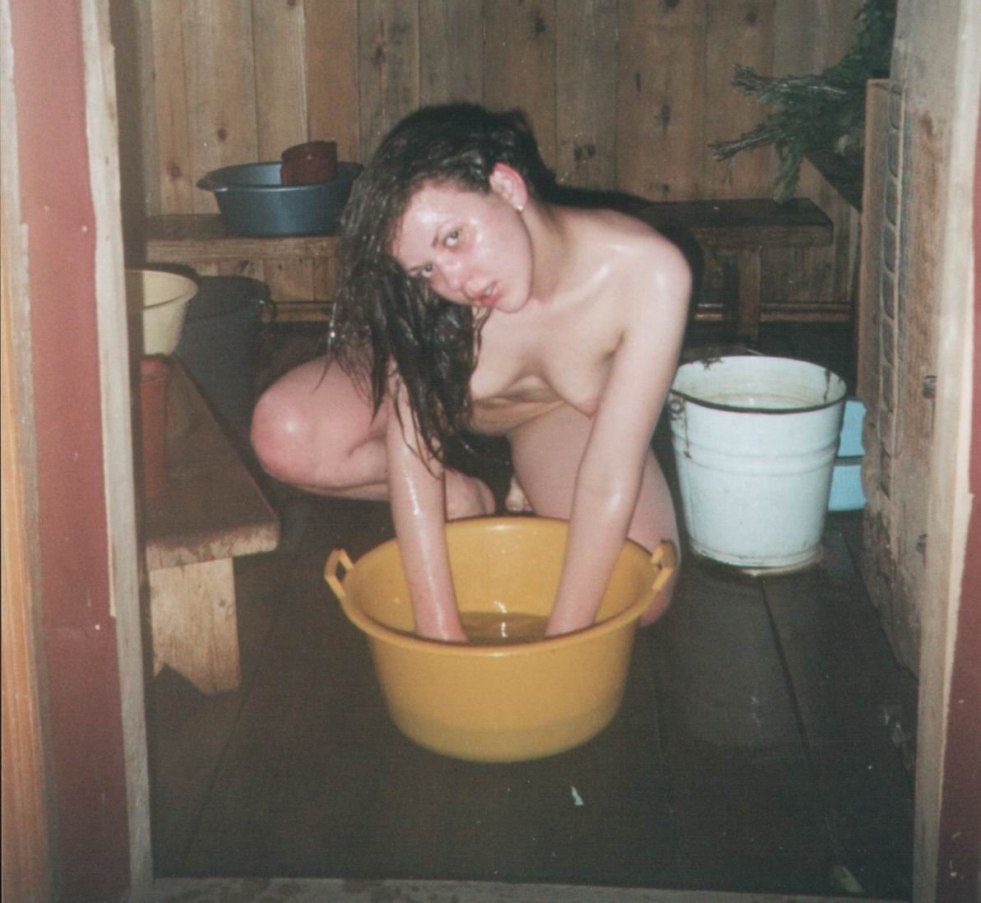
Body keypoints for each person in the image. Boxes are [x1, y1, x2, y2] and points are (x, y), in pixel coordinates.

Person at [251, 103, 690, 642]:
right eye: (426, 269)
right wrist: (439, 631)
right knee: (283, 433)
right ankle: (465, 499)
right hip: (433, 398)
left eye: (453, 237)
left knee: (640, 588)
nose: (455, 280)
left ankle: (529, 480)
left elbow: (608, 474)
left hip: (552, 416)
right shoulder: (435, 306)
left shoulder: (650, 272)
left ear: (506, 186)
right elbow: (413, 457)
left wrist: (563, 639)